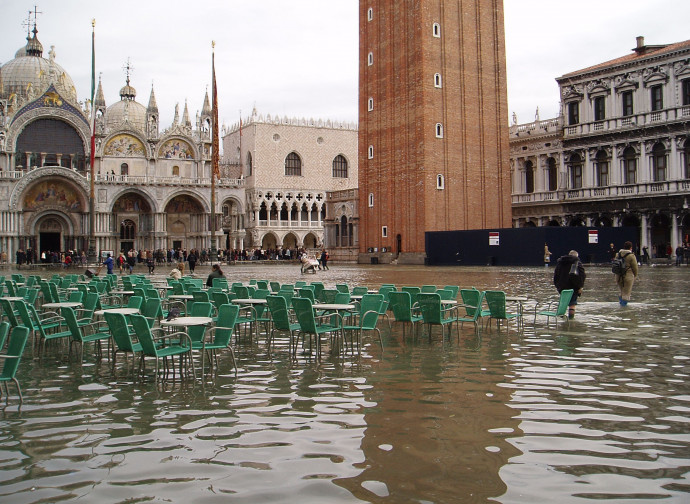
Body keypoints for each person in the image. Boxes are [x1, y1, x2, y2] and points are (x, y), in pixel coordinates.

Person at [553, 249, 585, 319]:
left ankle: (562, 320)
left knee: (563, 304)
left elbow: (556, 276)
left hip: (562, 287)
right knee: (572, 304)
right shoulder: (576, 263)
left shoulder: (560, 262)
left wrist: (558, 286)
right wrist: (580, 286)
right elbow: (579, 275)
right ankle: (571, 321)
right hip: (573, 287)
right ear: (577, 256)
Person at [615, 241, 639, 306]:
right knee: (626, 294)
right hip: (628, 277)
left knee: (621, 292)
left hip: (618, 276)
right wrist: (635, 275)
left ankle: (620, 304)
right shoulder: (631, 256)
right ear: (631, 248)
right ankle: (623, 310)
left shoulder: (618, 254)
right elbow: (635, 267)